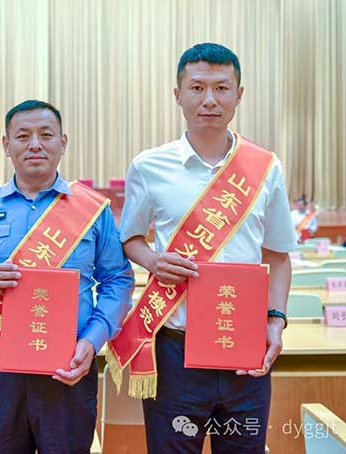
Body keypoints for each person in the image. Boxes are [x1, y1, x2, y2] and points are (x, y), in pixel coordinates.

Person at [111, 43, 297, 453]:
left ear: (239, 94)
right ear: (178, 94)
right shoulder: (149, 166)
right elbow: (130, 239)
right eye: (197, 88)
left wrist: (276, 321)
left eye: (221, 88)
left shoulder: (266, 167)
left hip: (245, 347)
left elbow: (278, 256)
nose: (209, 99)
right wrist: (154, 261)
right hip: (175, 350)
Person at [0, 100, 134, 453]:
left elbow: (118, 280)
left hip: (69, 365)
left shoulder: (92, 210)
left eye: (46, 135)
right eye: (23, 136)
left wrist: (92, 340)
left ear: (63, 143)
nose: (35, 144)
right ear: (6, 145)